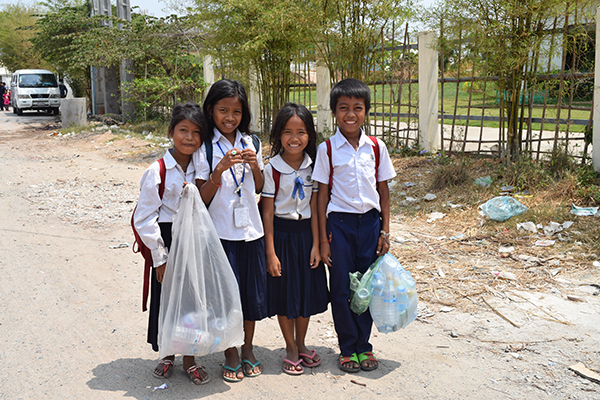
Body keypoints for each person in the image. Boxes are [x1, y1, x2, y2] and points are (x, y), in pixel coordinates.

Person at [312, 78, 397, 373]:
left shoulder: (376, 147)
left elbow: (384, 192)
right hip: (340, 226)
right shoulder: (327, 149)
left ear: (366, 112)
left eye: (357, 108)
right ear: (334, 112)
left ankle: (365, 346)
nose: (351, 114)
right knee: (341, 288)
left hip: (371, 225)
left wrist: (385, 231)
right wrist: (323, 241)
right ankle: (347, 347)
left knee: (368, 287)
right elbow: (322, 196)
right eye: (343, 108)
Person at [193, 79, 266, 382]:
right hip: (221, 234)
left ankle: (248, 347)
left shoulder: (253, 142)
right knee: (226, 296)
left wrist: (255, 167)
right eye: (223, 110)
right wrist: (219, 170)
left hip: (251, 232)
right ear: (210, 110)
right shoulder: (205, 146)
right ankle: (230, 352)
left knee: (251, 296)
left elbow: (260, 189)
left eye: (236, 112)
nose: (229, 118)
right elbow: (201, 196)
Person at [133, 102, 211, 385]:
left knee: (192, 300)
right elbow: (144, 218)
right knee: (166, 300)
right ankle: (167, 354)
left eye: (196, 132)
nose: (189, 137)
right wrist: (160, 257)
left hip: (194, 239)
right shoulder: (158, 170)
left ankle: (190, 358)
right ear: (170, 132)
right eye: (183, 130)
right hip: (167, 241)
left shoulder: (201, 168)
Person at [261, 103, 329, 375]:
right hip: (281, 236)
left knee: (306, 292)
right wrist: (270, 252)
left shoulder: (314, 167)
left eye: (301, 132)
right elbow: (266, 213)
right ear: (278, 135)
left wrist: (316, 244)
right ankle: (289, 345)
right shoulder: (272, 169)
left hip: (305, 237)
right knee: (286, 294)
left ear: (309, 136)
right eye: (288, 132)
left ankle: (302, 342)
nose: (294, 138)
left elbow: (315, 209)